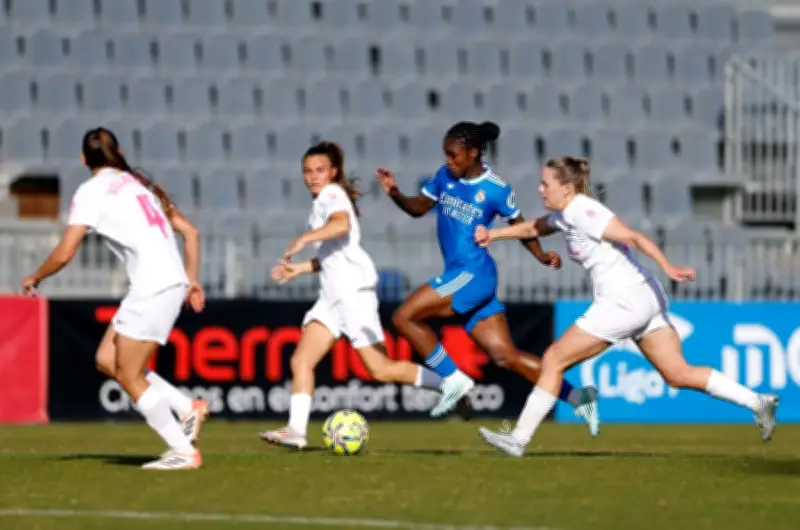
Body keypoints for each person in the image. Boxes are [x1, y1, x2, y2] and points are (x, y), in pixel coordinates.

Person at [474, 156, 780, 456]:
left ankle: (519, 439)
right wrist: (494, 234)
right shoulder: (566, 214)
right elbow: (532, 229)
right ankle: (758, 402)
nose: (540, 190)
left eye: (545, 184)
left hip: (624, 300)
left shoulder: (584, 210)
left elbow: (632, 236)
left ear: (566, 189)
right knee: (677, 373)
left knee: (554, 358)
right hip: (643, 297)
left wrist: (668, 266)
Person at [375, 121, 599, 433]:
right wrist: (395, 192)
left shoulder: (495, 188)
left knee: (404, 317)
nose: (449, 160)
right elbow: (417, 209)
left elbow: (522, 225)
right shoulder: (443, 177)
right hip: (463, 275)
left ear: (474, 152)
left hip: (472, 274)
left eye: (454, 155)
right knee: (506, 357)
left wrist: (541, 255)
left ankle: (455, 381)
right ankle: (578, 397)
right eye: (446, 155)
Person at [259, 141, 465, 450]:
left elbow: (340, 226)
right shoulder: (323, 201)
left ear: (333, 172)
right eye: (307, 171)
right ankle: (296, 431)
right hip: (331, 297)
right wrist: (299, 269)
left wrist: (305, 237)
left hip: (353, 294)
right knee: (301, 360)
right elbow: (332, 253)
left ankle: (450, 385)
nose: (313, 177)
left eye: (320, 170)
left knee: (381, 369)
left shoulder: (331, 195)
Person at [22, 127, 206, 470]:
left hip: (153, 287)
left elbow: (65, 252)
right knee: (107, 359)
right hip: (161, 284)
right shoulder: (138, 184)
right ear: (117, 151)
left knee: (130, 374)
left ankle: (183, 450)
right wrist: (191, 280)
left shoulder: (92, 191)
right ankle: (186, 407)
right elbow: (191, 232)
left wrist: (36, 276)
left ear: (83, 159)